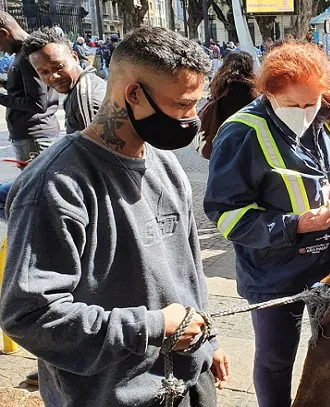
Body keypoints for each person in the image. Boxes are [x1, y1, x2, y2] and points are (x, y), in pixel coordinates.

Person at [0, 26, 230, 407]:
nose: (192, 119)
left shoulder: (167, 166)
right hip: (113, 397)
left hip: (191, 383)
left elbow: (187, 274)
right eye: (182, 105)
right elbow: (29, 315)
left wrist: (209, 340)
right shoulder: (56, 185)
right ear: (134, 94)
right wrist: (153, 328)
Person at [204, 41, 330, 407]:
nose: (305, 112)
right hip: (273, 273)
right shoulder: (241, 132)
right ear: (269, 93)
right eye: (294, 105)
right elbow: (226, 213)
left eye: (312, 102)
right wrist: (295, 224)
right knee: (275, 358)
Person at [0, 11, 60, 164]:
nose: (1, 50)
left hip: (34, 138)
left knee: (36, 187)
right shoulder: (26, 52)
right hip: (32, 136)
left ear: (4, 33)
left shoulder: (29, 55)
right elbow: (23, 89)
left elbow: (37, 104)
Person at [25, 28, 107, 134]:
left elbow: (96, 148)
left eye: (59, 66)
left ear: (74, 57)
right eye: (44, 72)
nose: (53, 76)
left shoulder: (85, 100)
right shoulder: (78, 90)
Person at [195, 51, 256, 159]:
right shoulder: (250, 89)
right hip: (244, 144)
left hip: (219, 142)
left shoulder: (220, 85)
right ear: (249, 66)